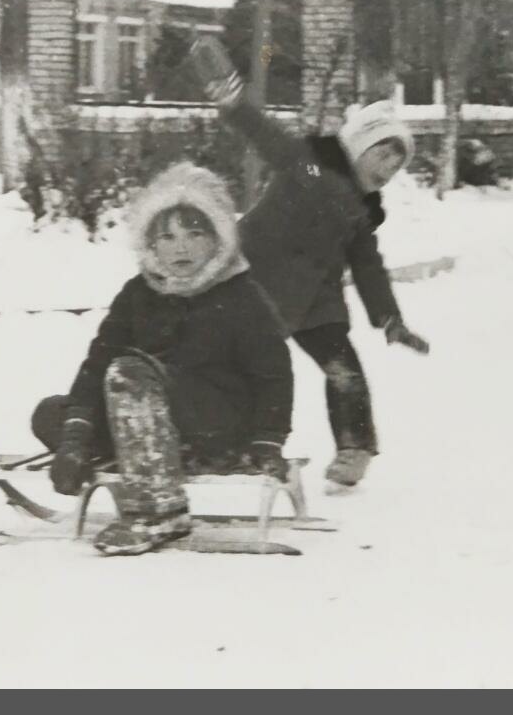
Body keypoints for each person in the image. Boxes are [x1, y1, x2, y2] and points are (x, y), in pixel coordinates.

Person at [30, 162, 294, 556]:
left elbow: (274, 374)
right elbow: (97, 363)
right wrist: (75, 438)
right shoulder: (138, 293)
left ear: (218, 239)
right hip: (142, 409)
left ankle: (159, 511)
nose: (181, 247)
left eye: (194, 234)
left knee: (130, 372)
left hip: (216, 422)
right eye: (167, 237)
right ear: (150, 245)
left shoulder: (242, 297)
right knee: (53, 413)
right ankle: (129, 455)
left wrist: (267, 441)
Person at [198, 51, 430, 493]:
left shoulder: (363, 214)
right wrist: (233, 103)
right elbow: (272, 141)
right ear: (359, 146)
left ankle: (355, 448)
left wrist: (389, 319)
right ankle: (204, 431)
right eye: (383, 155)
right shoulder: (311, 170)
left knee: (344, 370)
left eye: (397, 165)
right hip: (252, 281)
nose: (388, 169)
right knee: (226, 363)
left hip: (314, 302)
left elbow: (368, 268)